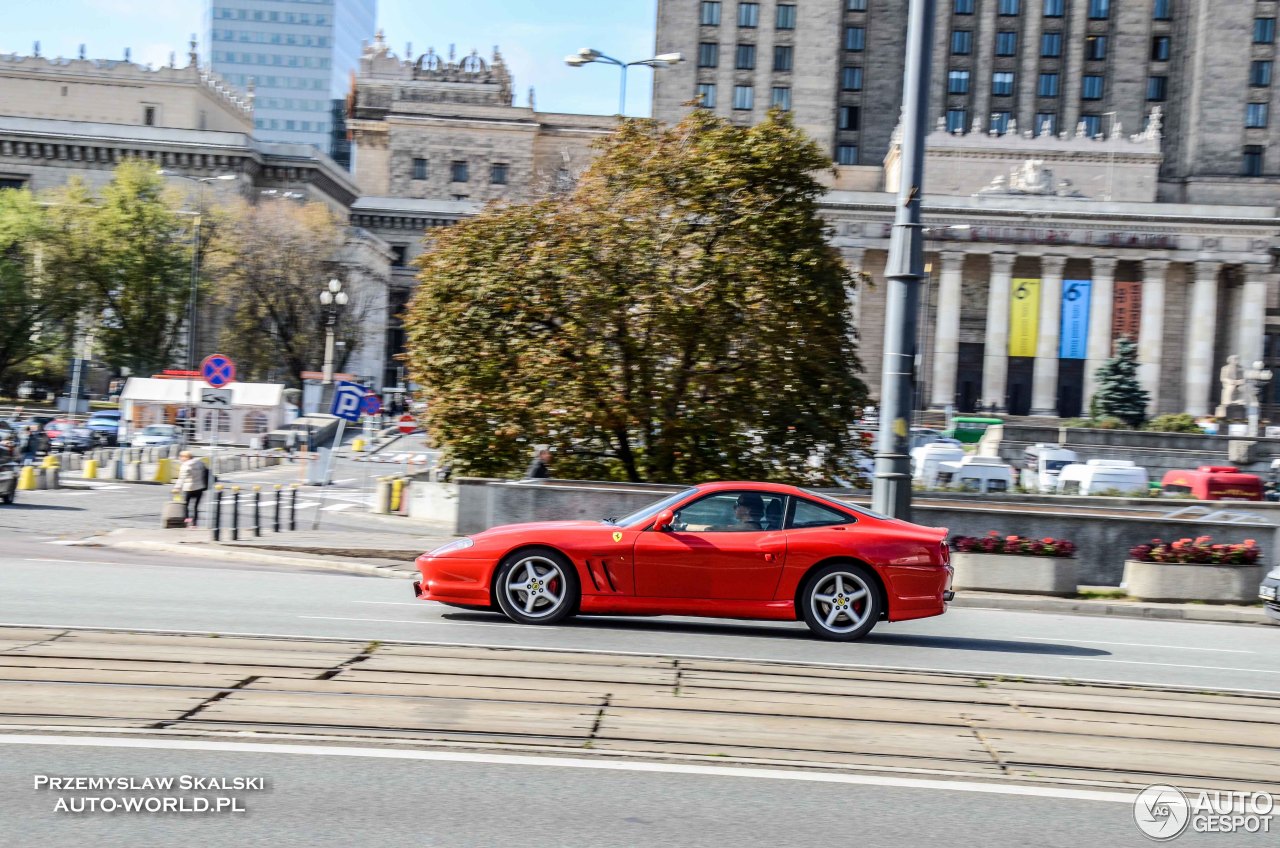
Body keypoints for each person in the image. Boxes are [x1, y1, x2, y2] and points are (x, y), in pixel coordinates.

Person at [172, 450, 210, 527]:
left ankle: (187, 521)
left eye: (181, 457)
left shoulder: (185, 466)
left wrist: (177, 488)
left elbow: (182, 478)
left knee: (186, 506)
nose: (180, 458)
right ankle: (194, 523)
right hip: (200, 487)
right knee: (196, 506)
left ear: (186, 457)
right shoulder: (200, 463)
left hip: (189, 489)